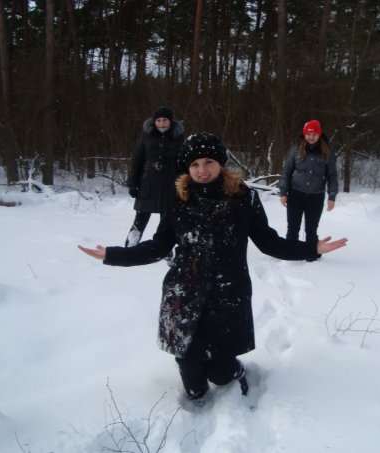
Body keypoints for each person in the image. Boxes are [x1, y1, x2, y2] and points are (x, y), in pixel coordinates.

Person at [79, 132, 348, 409]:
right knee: (194, 384)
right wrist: (113, 254)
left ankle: (235, 370)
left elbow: (270, 243)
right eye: (195, 165)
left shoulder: (243, 198)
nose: (202, 170)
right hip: (184, 293)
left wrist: (311, 248)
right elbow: (159, 246)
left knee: (221, 374)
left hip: (226, 295)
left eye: (208, 162)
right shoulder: (177, 199)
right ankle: (193, 385)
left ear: (221, 163)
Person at [125, 106, 184, 248]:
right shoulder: (146, 136)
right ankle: (130, 247)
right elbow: (137, 160)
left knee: (167, 219)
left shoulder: (178, 137)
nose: (161, 123)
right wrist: (133, 183)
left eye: (165, 120)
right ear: (154, 121)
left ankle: (164, 249)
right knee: (141, 217)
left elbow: (183, 163)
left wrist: (185, 184)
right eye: (158, 120)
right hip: (148, 183)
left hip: (170, 183)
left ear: (171, 121)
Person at [279, 120, 339, 261]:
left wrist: (332, 196)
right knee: (293, 228)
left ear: (319, 134)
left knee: (311, 229)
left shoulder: (327, 151)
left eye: (314, 134)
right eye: (309, 134)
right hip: (296, 194)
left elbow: (332, 175)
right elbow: (287, 171)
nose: (311, 137)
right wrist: (283, 192)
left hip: (316, 197)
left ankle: (311, 256)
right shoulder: (296, 149)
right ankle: (290, 253)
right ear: (305, 134)